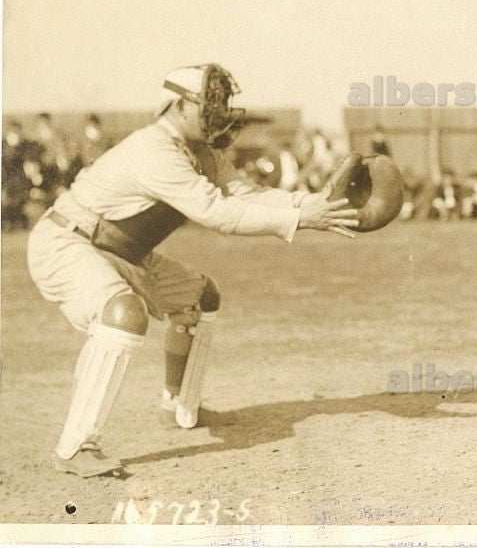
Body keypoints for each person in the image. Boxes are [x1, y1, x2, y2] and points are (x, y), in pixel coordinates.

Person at [26, 63, 358, 478]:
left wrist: (315, 204)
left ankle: (179, 407)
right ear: (177, 106)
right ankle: (76, 446)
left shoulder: (201, 151)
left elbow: (248, 195)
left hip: (124, 251)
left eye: (222, 104)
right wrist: (301, 220)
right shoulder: (154, 149)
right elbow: (217, 213)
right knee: (123, 314)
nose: (219, 114)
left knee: (200, 297)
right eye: (209, 104)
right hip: (68, 243)